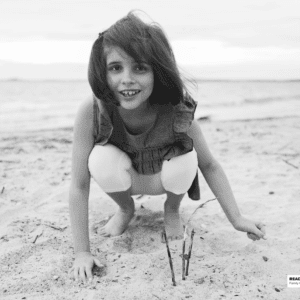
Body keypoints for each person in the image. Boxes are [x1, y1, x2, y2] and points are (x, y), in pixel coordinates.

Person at [68, 11, 266, 283]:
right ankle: (126, 209)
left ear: (157, 71)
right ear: (102, 72)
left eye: (140, 67)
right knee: (100, 158)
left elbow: (209, 164)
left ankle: (172, 209)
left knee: (188, 158)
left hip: (166, 179)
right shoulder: (92, 111)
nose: (127, 79)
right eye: (116, 68)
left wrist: (236, 218)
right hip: (125, 180)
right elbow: (79, 185)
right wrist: (82, 253)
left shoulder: (174, 109)